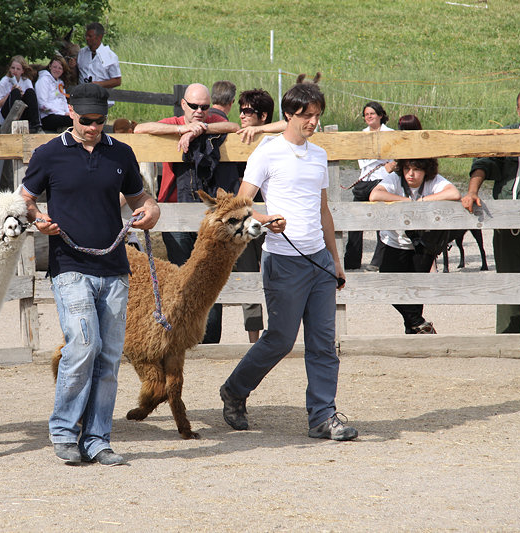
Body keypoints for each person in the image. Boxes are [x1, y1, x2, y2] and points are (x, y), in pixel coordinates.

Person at [21, 83, 160, 466]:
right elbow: (26, 199)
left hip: (114, 268)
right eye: (86, 120)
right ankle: (65, 432)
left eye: (100, 121)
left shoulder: (121, 153)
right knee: (83, 346)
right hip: (70, 267)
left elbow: (140, 197)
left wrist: (151, 210)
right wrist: (38, 219)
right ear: (71, 113)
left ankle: (98, 439)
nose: (93, 127)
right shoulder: (48, 154)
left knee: (109, 356)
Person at [219, 83, 358, 441]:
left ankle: (323, 417)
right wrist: (266, 220)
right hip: (283, 260)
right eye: (306, 115)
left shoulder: (318, 155)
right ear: (288, 115)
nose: (313, 121)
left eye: (317, 115)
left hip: (320, 261)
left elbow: (323, 211)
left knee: (324, 342)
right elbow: (239, 205)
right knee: (280, 339)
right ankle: (234, 389)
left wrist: (335, 260)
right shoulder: (267, 152)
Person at [134, 83, 239, 343]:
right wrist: (182, 129)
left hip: (207, 216)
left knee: (209, 276)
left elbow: (234, 126)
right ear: (183, 104)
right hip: (175, 211)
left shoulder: (212, 121)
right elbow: (139, 129)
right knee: (182, 276)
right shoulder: (173, 122)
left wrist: (200, 130)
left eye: (204, 106)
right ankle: (182, 337)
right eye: (194, 106)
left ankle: (209, 341)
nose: (199, 111)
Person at [462, 88, 520, 333]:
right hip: (508, 229)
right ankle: (507, 343)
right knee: (509, 290)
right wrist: (472, 191)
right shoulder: (505, 136)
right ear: (517, 111)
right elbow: (483, 162)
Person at [369, 158, 461, 333]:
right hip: (394, 241)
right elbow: (375, 195)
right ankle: (419, 324)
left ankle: (414, 332)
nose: (411, 174)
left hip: (423, 243)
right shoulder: (395, 179)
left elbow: (454, 193)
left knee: (416, 292)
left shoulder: (433, 181)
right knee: (388, 285)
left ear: (426, 171)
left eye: (417, 169)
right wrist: (407, 202)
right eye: (407, 168)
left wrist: (423, 201)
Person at [232, 89, 286, 343]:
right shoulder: (237, 137)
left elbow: (289, 123)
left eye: (248, 111)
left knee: (274, 277)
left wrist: (260, 130)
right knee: (246, 275)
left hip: (270, 218)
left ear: (263, 116)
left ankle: (277, 335)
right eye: (241, 110)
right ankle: (254, 340)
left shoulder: (276, 139)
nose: (242, 116)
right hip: (246, 220)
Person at [344, 101, 394, 271]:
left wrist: (390, 166)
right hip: (365, 180)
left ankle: (378, 260)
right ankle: (352, 260)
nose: (369, 117)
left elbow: (397, 157)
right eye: (366, 114)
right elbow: (361, 161)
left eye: (372, 113)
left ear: (380, 115)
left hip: (383, 180)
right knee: (355, 219)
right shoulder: (362, 134)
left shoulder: (390, 133)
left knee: (382, 219)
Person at [0, 55, 42, 131]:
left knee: (30, 92)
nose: (15, 71)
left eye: (18, 69)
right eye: (13, 68)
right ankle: (14, 124)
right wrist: (10, 94)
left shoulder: (26, 81)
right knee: (15, 92)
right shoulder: (3, 82)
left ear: (22, 71)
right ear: (9, 69)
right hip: (7, 114)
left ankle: (36, 125)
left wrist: (22, 95)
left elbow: (30, 99)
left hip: (22, 111)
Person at [77, 23, 121, 89]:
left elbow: (117, 81)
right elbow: (77, 73)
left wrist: (99, 84)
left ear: (99, 37)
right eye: (86, 36)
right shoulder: (82, 53)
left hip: (101, 93)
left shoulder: (110, 56)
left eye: (90, 36)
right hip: (82, 93)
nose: (87, 38)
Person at [35, 55, 73, 132]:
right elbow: (42, 105)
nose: (57, 70)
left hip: (60, 115)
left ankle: (63, 128)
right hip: (47, 116)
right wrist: (62, 113)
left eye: (60, 68)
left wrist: (68, 113)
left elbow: (63, 101)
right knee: (73, 121)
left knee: (77, 118)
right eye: (55, 67)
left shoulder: (60, 82)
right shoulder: (43, 80)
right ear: (50, 66)